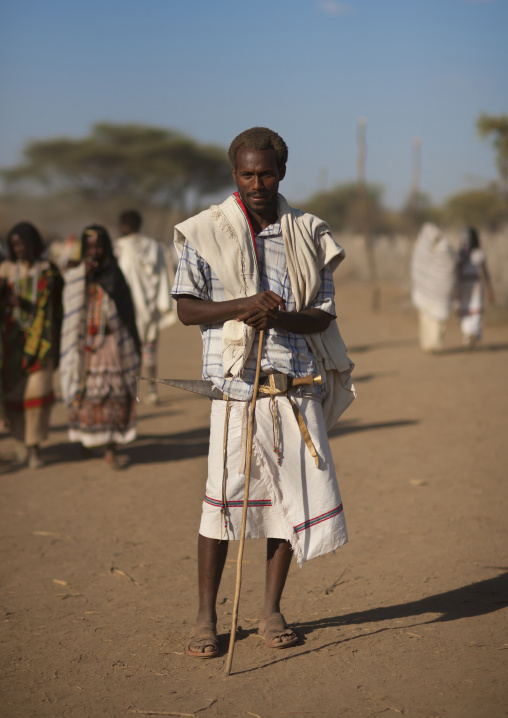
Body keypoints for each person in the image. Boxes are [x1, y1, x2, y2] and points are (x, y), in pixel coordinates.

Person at [171, 127, 355, 658]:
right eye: (248, 173)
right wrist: (243, 306)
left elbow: (322, 317)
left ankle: (271, 609)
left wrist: (279, 316)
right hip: (234, 390)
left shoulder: (308, 232)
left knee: (287, 503)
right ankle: (205, 619)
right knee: (222, 503)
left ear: (281, 172)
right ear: (234, 174)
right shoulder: (205, 231)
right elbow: (187, 309)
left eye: (266, 172)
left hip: (294, 389)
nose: (257, 182)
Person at [59, 225, 140, 469]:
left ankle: (109, 448)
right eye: (90, 246)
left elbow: (126, 314)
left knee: (112, 394)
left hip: (111, 345)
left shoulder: (114, 276)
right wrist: (82, 277)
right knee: (84, 393)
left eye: (98, 246)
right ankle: (86, 440)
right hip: (83, 348)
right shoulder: (75, 276)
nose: (94, 251)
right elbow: (70, 310)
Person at [0, 222, 63, 468]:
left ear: (33, 243)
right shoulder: (5, 270)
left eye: (22, 243)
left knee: (36, 395)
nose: (19, 249)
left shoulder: (48, 271)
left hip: (42, 345)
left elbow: (58, 308)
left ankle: (34, 447)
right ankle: (20, 444)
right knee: (15, 395)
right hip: (12, 346)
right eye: (14, 244)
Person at [115, 210, 173, 404]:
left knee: (130, 350)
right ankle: (151, 390)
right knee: (150, 350)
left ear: (125, 225)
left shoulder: (121, 247)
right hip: (150, 307)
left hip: (129, 308)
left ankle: (131, 389)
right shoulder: (154, 246)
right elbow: (164, 273)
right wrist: (162, 301)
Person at [410, 222, 457, 353]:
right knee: (436, 320)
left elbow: (417, 267)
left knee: (427, 319)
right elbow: (452, 264)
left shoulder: (422, 247)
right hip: (436, 293)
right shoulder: (445, 246)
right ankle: (434, 344)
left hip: (426, 292)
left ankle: (430, 344)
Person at [455, 226, 495, 348]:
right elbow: (485, 272)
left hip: (465, 284)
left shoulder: (461, 255)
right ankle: (472, 332)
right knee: (473, 308)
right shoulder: (476, 254)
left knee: (467, 308)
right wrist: (489, 288)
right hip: (474, 284)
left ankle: (468, 334)